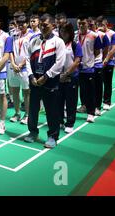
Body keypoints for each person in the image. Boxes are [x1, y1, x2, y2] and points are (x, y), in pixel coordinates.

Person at [24, 14, 65, 149]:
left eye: (45, 25)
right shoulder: (34, 41)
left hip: (50, 82)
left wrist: (46, 76)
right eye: (41, 25)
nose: (42, 27)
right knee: (33, 109)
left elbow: (60, 63)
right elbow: (28, 60)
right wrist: (31, 76)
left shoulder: (58, 42)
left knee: (52, 110)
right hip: (35, 81)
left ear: (53, 26)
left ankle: (53, 136)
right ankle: (33, 132)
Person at [75, 15, 103, 122]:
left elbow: (96, 52)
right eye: (79, 23)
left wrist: (87, 60)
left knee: (90, 91)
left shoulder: (94, 36)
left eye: (83, 23)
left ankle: (91, 113)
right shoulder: (75, 35)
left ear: (88, 24)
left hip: (88, 68)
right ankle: (82, 106)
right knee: (78, 90)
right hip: (76, 68)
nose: (81, 25)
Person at [57, 23, 82, 134]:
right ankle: (60, 121)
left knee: (71, 101)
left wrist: (66, 74)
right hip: (59, 78)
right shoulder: (57, 44)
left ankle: (70, 123)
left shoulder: (75, 45)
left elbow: (77, 61)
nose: (63, 33)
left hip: (71, 77)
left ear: (70, 32)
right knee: (59, 101)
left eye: (66, 31)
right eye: (61, 30)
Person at [8, 15, 33, 125]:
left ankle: (27, 115)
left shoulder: (32, 36)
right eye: (19, 23)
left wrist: (21, 64)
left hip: (25, 68)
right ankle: (17, 113)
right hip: (14, 68)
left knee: (26, 92)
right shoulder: (14, 35)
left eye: (23, 23)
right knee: (15, 91)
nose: (21, 25)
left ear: (27, 23)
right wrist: (13, 63)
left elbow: (31, 53)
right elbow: (10, 51)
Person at [97, 16, 115, 110]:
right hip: (97, 63)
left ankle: (107, 102)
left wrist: (106, 59)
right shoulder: (96, 33)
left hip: (108, 63)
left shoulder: (113, 34)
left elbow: (113, 49)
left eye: (102, 24)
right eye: (99, 24)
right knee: (97, 84)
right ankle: (95, 103)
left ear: (106, 24)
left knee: (107, 83)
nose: (101, 26)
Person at [89, 18, 110, 114]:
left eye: (92, 25)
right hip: (87, 66)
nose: (90, 27)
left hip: (97, 65)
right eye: (89, 25)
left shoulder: (102, 35)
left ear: (96, 26)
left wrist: (103, 60)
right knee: (88, 88)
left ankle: (97, 107)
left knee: (98, 87)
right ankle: (86, 105)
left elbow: (106, 48)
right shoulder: (84, 35)